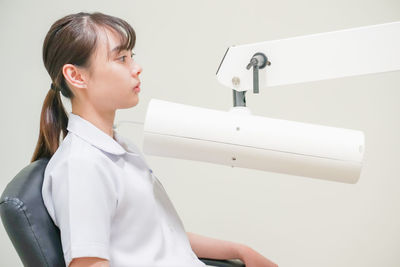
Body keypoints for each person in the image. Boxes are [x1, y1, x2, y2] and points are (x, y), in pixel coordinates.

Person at [31, 11, 278, 267]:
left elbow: (160, 238)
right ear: (76, 76)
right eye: (122, 58)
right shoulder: (82, 166)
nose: (136, 68)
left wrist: (239, 250)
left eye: (132, 57)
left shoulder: (120, 147)